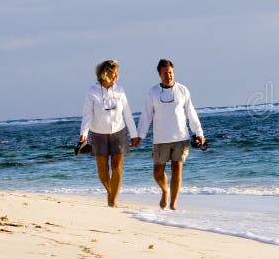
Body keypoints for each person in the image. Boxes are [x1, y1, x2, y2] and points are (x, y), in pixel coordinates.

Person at [136, 59, 205, 210]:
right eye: (165, 73)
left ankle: (173, 204)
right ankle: (164, 191)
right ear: (159, 74)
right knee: (157, 172)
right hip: (160, 139)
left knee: (177, 169)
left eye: (171, 72)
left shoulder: (183, 90)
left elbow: (191, 112)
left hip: (181, 137)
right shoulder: (153, 92)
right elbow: (146, 115)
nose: (169, 75)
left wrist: (199, 132)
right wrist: (140, 135)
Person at [79, 59, 141, 207]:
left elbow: (127, 112)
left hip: (118, 132)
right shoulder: (92, 91)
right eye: (114, 74)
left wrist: (134, 134)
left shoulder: (120, 90)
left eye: (117, 74)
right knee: (103, 169)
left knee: (117, 166)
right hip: (98, 133)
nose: (116, 77)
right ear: (104, 74)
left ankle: (113, 201)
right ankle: (110, 192)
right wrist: (84, 134)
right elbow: (87, 114)